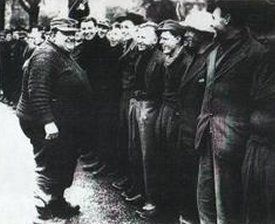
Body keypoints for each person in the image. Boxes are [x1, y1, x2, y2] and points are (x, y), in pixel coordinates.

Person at [195, 5, 268, 224]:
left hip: (233, 140)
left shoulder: (256, 52)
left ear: (227, 18)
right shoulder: (214, 48)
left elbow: (257, 100)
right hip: (206, 134)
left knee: (227, 204)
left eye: (214, 17)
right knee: (204, 197)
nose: (210, 22)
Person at [16, 17, 92, 222]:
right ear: (52, 35)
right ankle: (41, 211)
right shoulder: (45, 55)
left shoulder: (60, 52)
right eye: (66, 34)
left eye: (73, 33)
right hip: (43, 122)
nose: (72, 37)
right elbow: (37, 91)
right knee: (48, 163)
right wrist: (48, 122)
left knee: (64, 160)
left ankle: (57, 202)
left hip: (62, 121)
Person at [177, 11, 215, 224]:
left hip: (198, 133)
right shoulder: (194, 57)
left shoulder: (211, 59)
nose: (186, 35)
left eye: (190, 31)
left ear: (203, 34)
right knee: (186, 179)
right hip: (186, 130)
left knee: (198, 183)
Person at [124, 22, 165, 207]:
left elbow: (160, 90)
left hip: (150, 108)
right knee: (135, 151)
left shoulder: (160, 59)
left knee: (149, 155)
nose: (139, 40)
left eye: (143, 37)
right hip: (138, 104)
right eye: (138, 36)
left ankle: (153, 199)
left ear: (155, 40)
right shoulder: (141, 56)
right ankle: (140, 191)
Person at [153, 19, 188, 219]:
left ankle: (173, 211)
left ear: (178, 39)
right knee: (162, 159)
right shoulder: (169, 57)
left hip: (176, 115)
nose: (161, 42)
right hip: (164, 111)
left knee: (174, 162)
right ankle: (165, 207)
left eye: (165, 38)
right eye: (160, 38)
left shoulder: (184, 61)